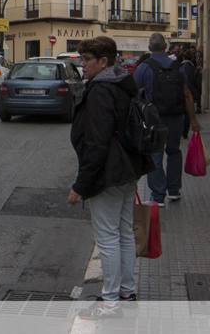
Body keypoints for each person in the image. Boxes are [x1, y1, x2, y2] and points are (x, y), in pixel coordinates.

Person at [67, 36, 151, 310]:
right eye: (82, 59)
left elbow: (97, 142)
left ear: (103, 61)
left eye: (87, 60)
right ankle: (127, 292)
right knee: (124, 233)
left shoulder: (101, 90)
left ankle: (111, 299)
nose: (83, 65)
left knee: (108, 237)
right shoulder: (122, 83)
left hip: (109, 173)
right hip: (128, 168)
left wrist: (81, 185)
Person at [134, 33, 200, 205]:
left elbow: (133, 94)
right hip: (176, 117)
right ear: (165, 47)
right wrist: (193, 120)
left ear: (149, 48)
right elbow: (187, 94)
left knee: (155, 154)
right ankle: (174, 190)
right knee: (174, 151)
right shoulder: (178, 66)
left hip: (153, 118)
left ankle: (158, 195)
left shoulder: (144, 67)